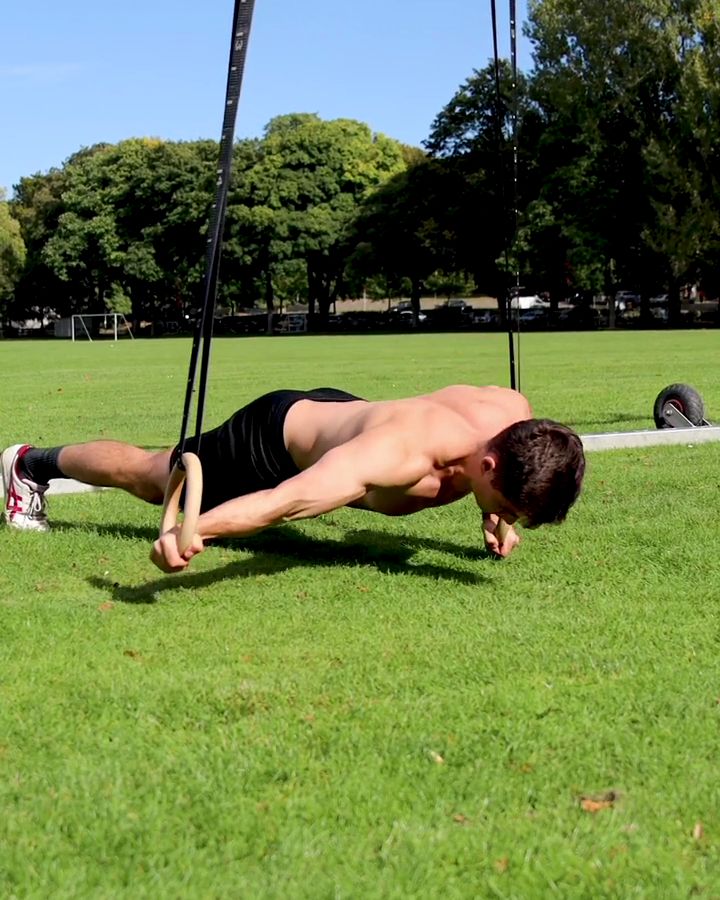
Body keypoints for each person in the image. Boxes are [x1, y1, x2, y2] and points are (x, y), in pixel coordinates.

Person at [1, 384, 585, 573]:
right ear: (488, 465)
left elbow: (516, 450)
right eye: (508, 506)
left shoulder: (511, 416)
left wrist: (493, 510)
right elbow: (288, 501)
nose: (508, 519)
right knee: (156, 475)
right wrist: (194, 530)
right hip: (275, 440)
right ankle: (29, 463)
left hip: (344, 416)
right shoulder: (398, 456)